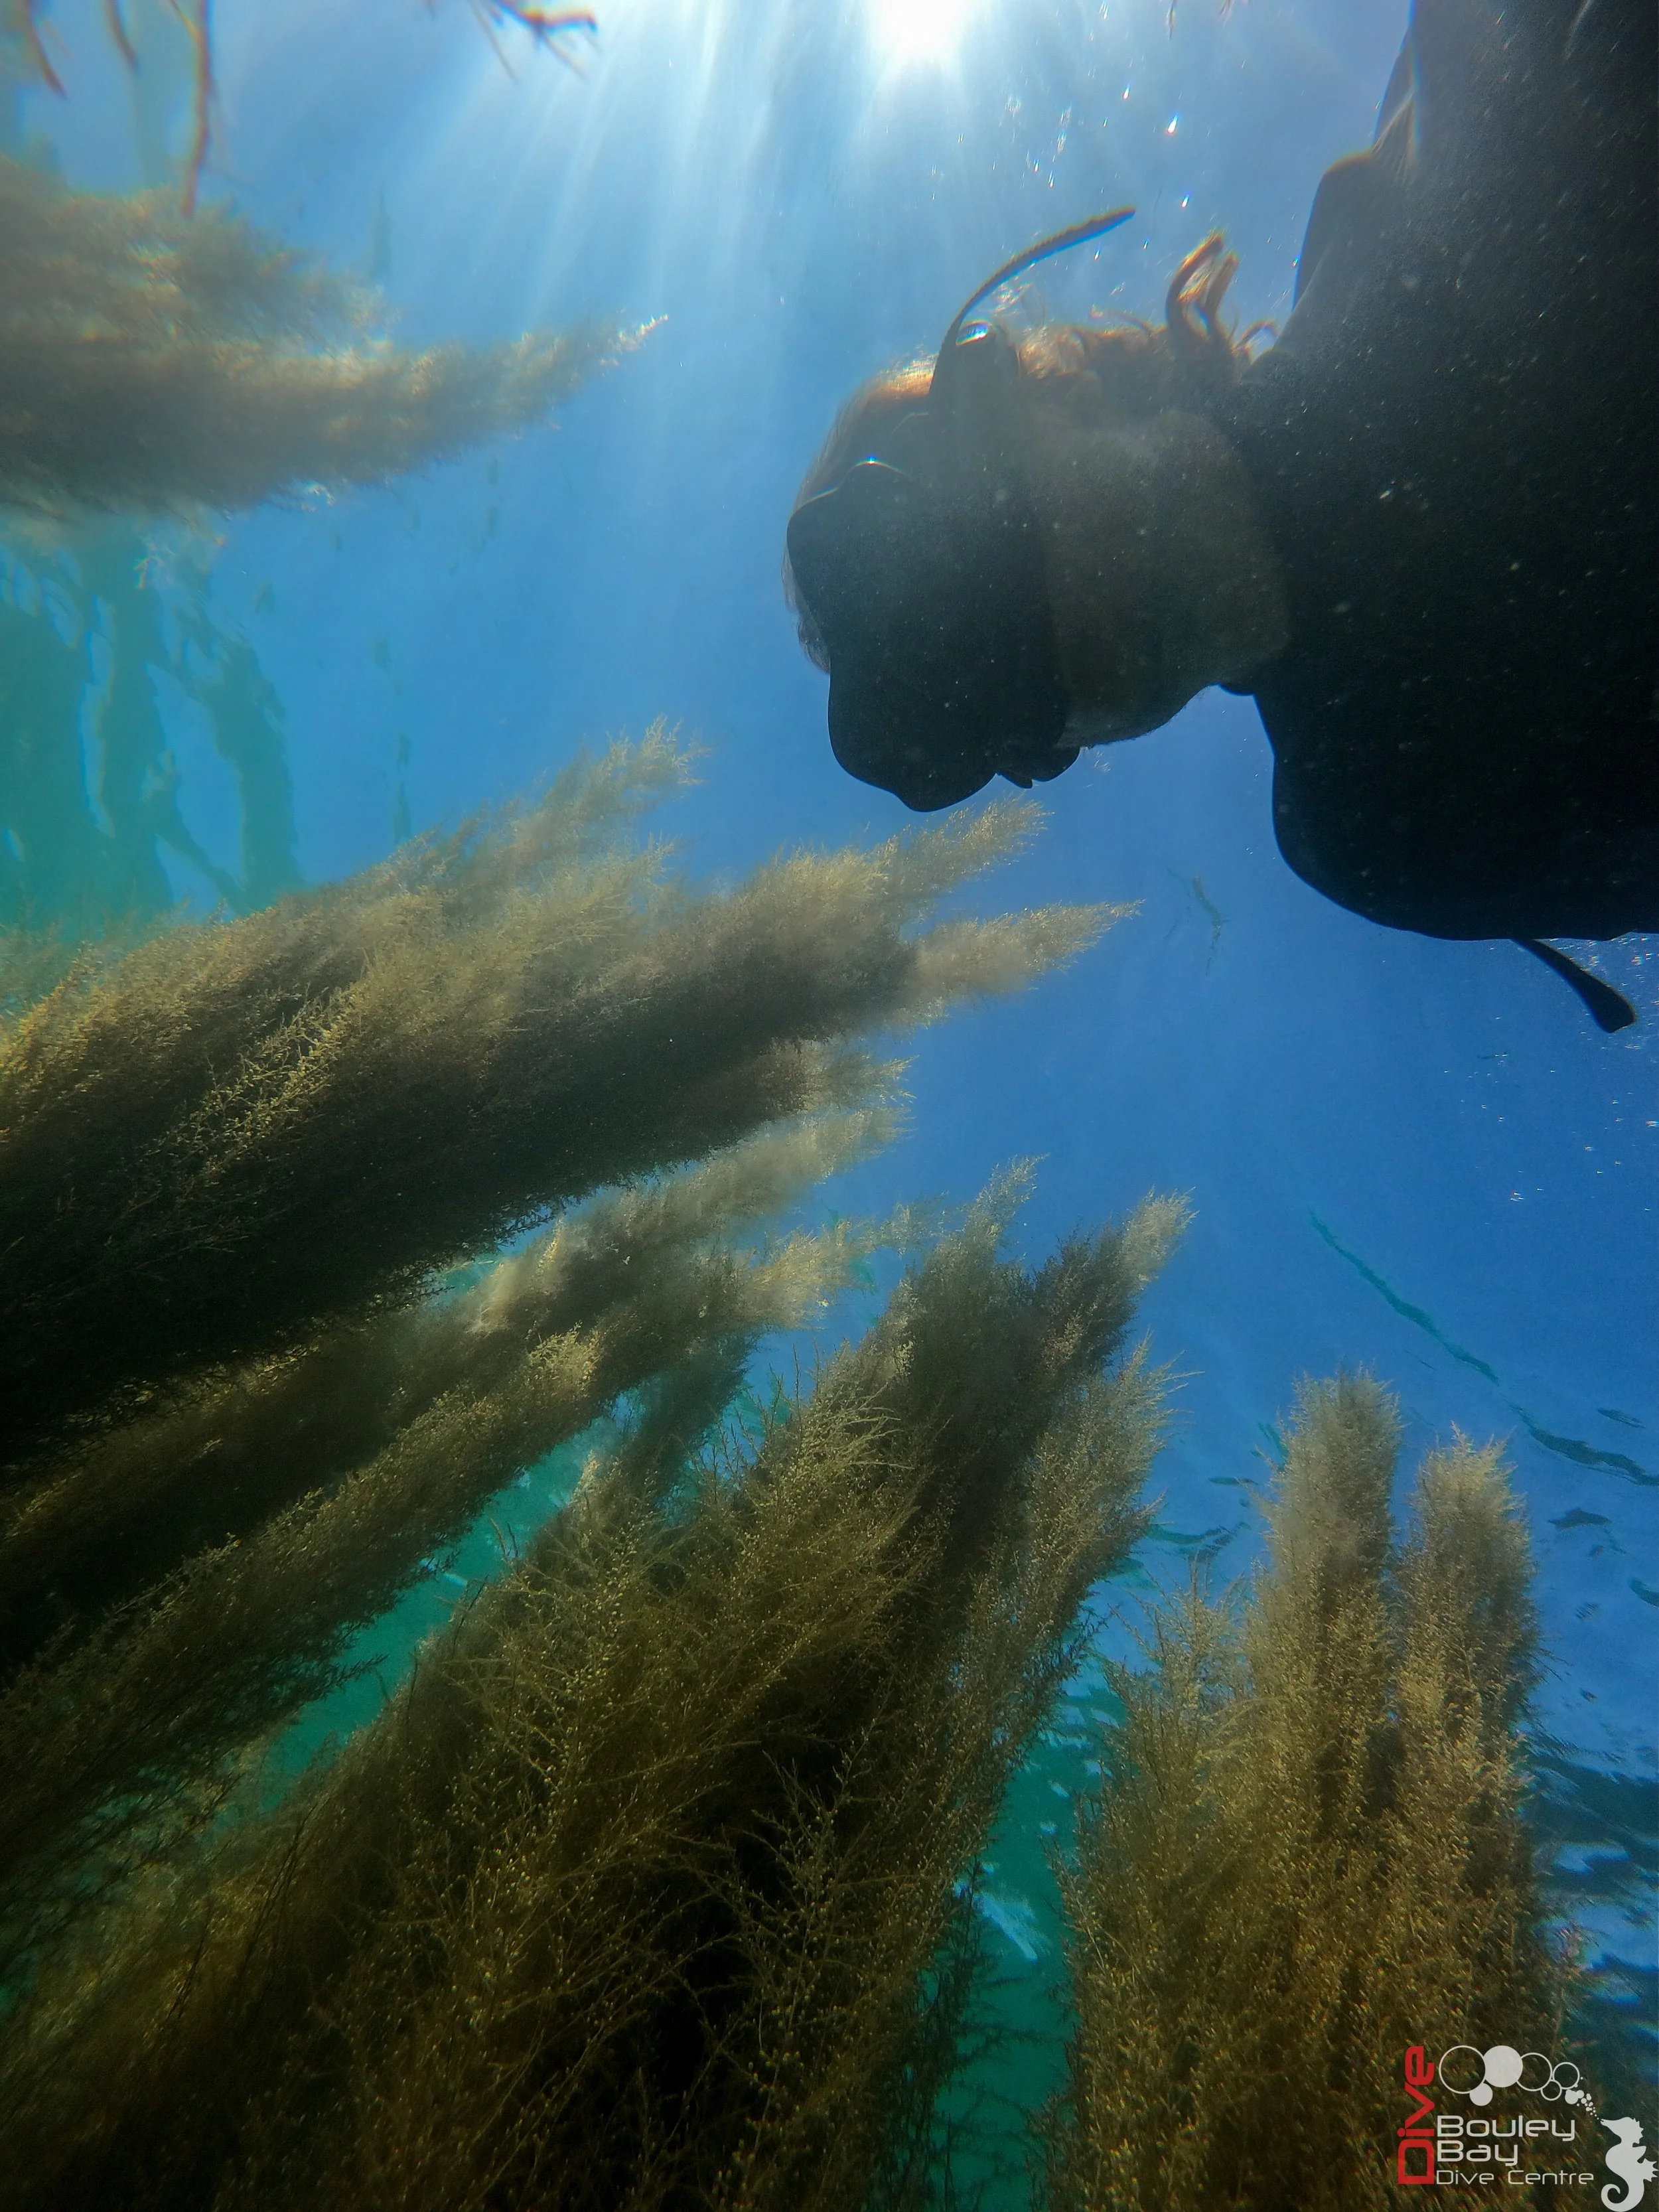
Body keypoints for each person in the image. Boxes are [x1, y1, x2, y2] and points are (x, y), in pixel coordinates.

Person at [784, 0, 1656, 1030]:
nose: (1054, 648)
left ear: (1050, 399)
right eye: (992, 698)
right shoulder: (1383, 824)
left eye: (976, 574)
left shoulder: (1472, 164)